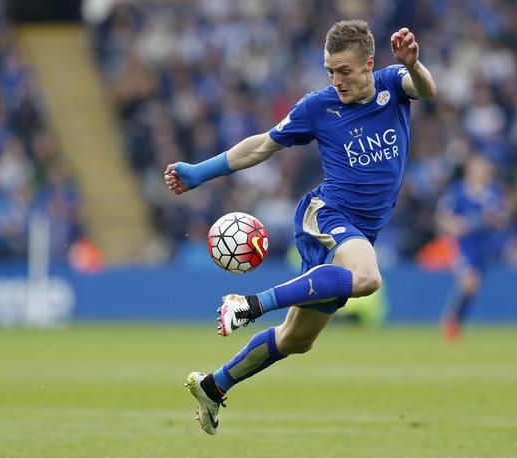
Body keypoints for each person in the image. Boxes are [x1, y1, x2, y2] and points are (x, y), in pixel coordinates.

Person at [164, 20, 435, 435]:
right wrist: (201, 172)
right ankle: (250, 304)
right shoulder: (317, 107)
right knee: (365, 277)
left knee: (296, 340)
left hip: (362, 228)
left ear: (368, 63)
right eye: (330, 70)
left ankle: (213, 385)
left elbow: (427, 89)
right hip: (327, 215)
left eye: (344, 70)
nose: (336, 80)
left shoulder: (393, 83)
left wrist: (414, 65)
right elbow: (262, 144)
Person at [436, 154, 508, 341]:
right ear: (470, 169)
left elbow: (502, 219)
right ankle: (450, 321)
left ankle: (456, 321)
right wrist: (454, 226)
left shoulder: (493, 192)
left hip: (483, 245)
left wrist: (494, 219)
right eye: (478, 166)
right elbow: (443, 217)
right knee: (468, 281)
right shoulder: (458, 191)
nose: (482, 170)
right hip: (463, 244)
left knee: (473, 287)